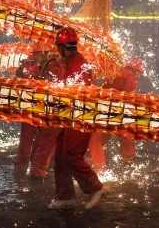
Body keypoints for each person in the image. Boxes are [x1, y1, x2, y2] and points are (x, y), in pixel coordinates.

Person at [48, 27, 104, 210]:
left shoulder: (79, 65)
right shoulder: (71, 63)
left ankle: (94, 187)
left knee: (71, 153)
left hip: (81, 115)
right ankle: (64, 196)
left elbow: (76, 93)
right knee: (60, 151)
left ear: (63, 47)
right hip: (71, 115)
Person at [88, 58, 143, 170]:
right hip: (116, 109)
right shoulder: (131, 77)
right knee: (126, 134)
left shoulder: (117, 71)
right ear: (137, 71)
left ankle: (94, 162)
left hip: (103, 107)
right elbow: (127, 97)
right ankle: (128, 162)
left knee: (99, 137)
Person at [28, 42, 64, 179]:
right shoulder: (51, 65)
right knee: (45, 141)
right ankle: (38, 172)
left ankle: (37, 170)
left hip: (47, 108)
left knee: (44, 141)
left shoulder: (47, 66)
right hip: (50, 108)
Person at [14, 46, 43, 173]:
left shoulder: (27, 65)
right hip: (32, 106)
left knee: (36, 137)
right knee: (29, 137)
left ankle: (27, 163)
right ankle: (24, 164)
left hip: (34, 105)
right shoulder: (31, 65)